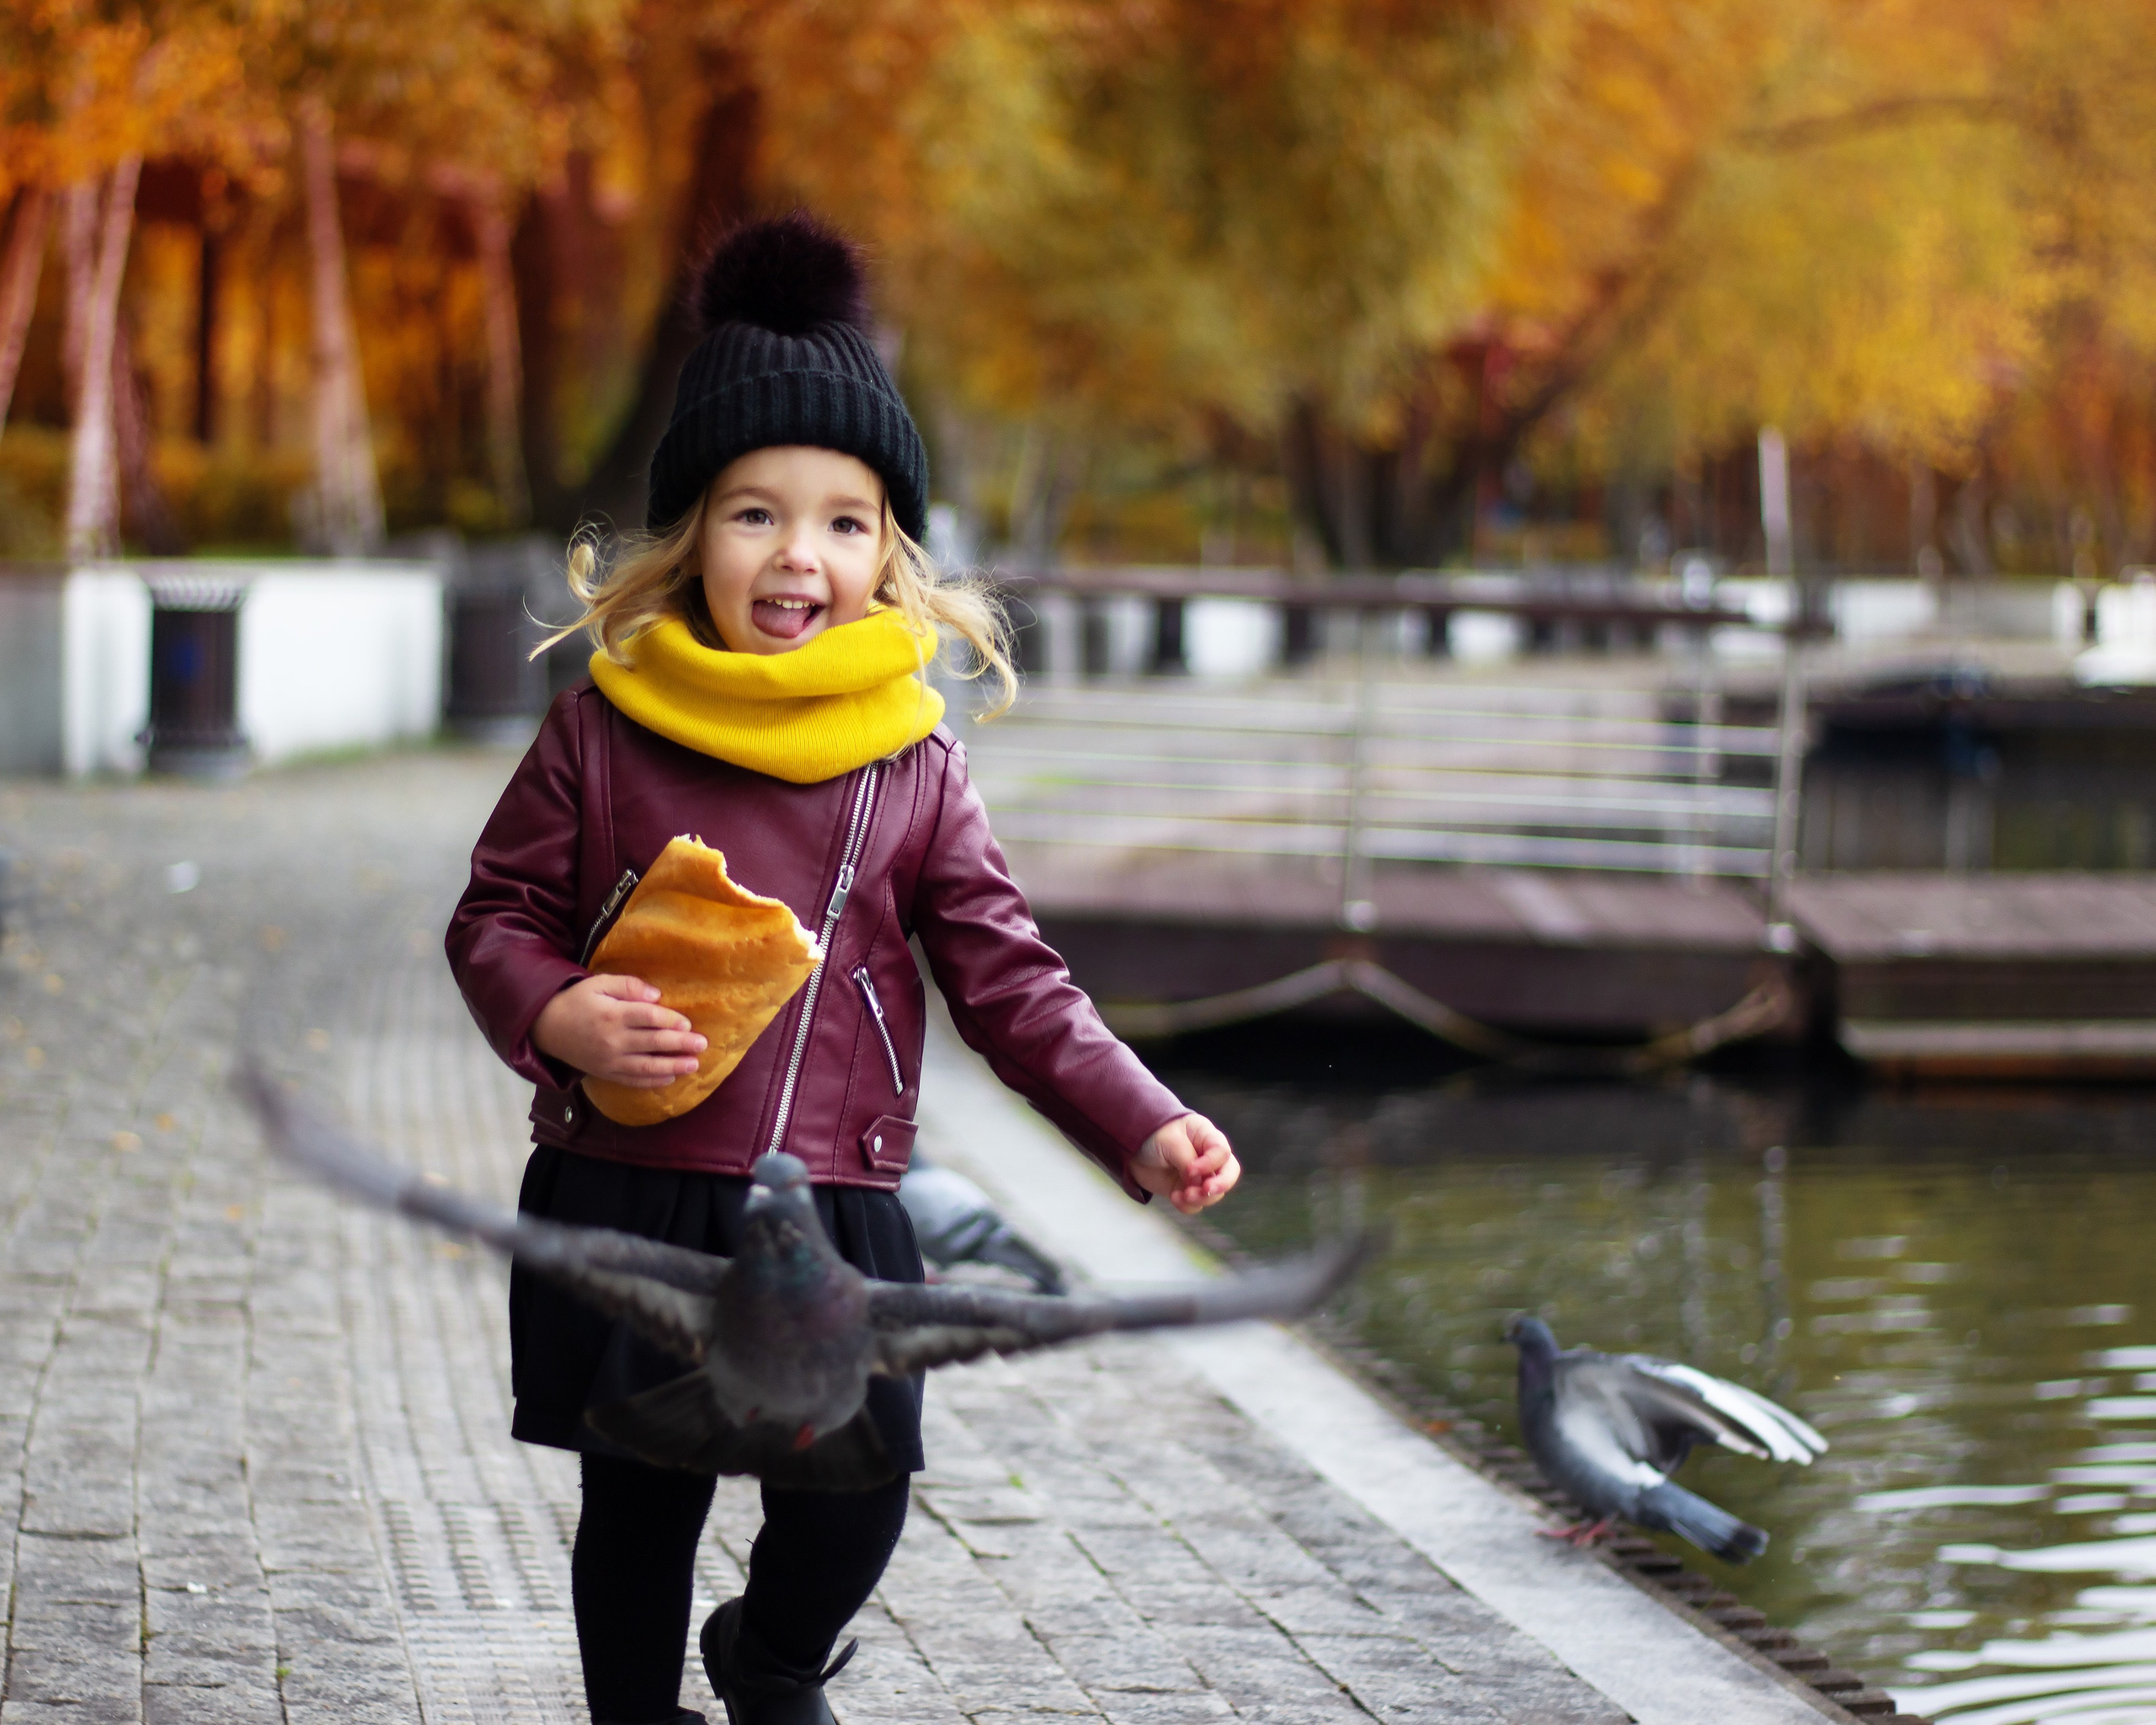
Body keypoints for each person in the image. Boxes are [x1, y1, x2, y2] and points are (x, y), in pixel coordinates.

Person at [444, 212, 1240, 1725]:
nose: (797, 553)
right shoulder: (604, 729)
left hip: (839, 1206)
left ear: (889, 558)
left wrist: (1138, 1116)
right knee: (641, 1510)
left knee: (854, 1500)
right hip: (636, 1186)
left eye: (844, 521)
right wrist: (554, 1011)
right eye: (753, 514)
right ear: (692, 537)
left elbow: (1012, 981)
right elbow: (494, 913)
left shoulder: (915, 766)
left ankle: (775, 1658)